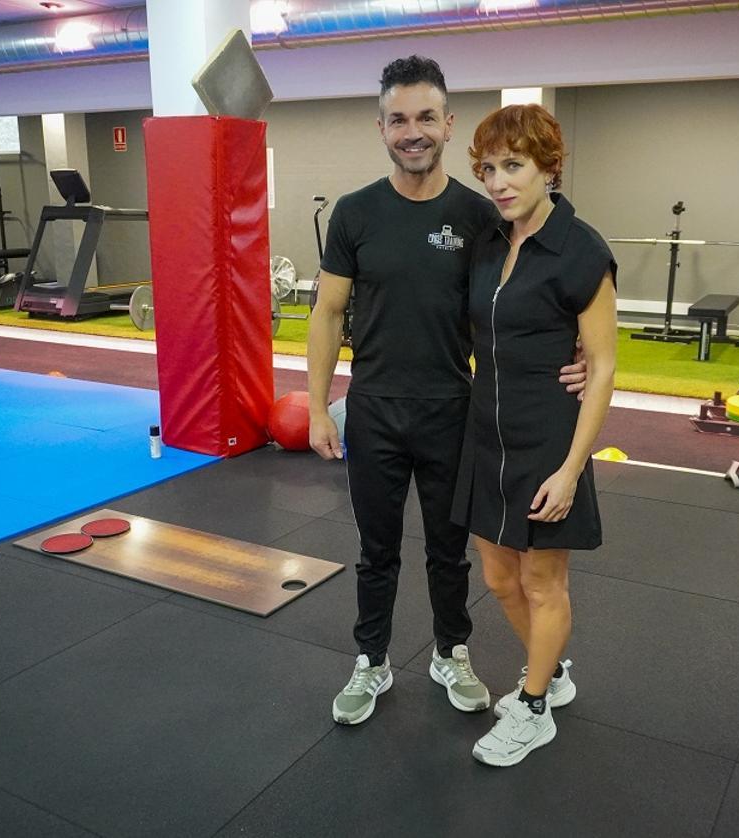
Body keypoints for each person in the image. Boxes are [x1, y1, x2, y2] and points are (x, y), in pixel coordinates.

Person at [307, 57, 586, 726]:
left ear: (448, 123)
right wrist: (316, 407)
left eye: (426, 117)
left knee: (448, 553)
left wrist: (580, 347)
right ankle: (371, 660)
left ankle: (450, 651)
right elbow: (327, 312)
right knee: (376, 552)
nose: (413, 132)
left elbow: (534, 276)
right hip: (373, 409)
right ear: (381, 128)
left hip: (455, 411)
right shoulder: (354, 213)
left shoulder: (478, 213)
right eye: (399, 120)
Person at [452, 104, 617, 767]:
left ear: (549, 167)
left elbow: (602, 367)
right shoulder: (489, 242)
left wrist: (572, 468)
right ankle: (551, 670)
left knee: (542, 581)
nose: (498, 182)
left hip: (549, 439)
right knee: (498, 578)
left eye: (513, 166)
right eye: (489, 169)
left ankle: (535, 703)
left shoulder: (581, 250)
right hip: (485, 434)